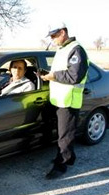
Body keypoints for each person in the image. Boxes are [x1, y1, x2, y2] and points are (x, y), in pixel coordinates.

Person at [40, 22, 89, 179]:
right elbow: (61, 72)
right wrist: (49, 75)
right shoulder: (62, 49)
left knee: (65, 136)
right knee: (64, 134)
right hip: (59, 99)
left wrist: (53, 76)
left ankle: (61, 165)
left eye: (54, 36)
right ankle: (69, 157)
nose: (52, 39)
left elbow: (74, 76)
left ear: (62, 33)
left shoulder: (76, 49)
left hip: (69, 101)